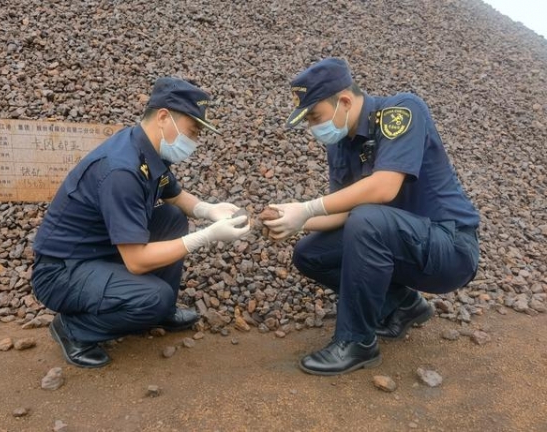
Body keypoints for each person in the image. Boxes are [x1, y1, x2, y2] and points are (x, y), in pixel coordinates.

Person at [264, 58, 480, 376]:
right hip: (398, 241)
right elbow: (343, 211)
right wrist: (293, 220)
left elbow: (383, 188)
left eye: (314, 116)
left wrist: (307, 207)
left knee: (367, 220)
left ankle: (357, 342)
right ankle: (403, 304)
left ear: (346, 101)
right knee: (310, 253)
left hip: (450, 247)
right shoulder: (339, 146)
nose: (312, 128)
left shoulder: (401, 110)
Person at [32, 77, 250, 368]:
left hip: (100, 249)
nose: (195, 141)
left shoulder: (144, 147)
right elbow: (136, 261)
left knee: (172, 218)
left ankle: (161, 311)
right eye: (193, 131)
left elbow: (174, 196)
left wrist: (207, 210)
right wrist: (206, 236)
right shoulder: (122, 170)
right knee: (153, 297)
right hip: (61, 272)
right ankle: (74, 330)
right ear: (163, 117)